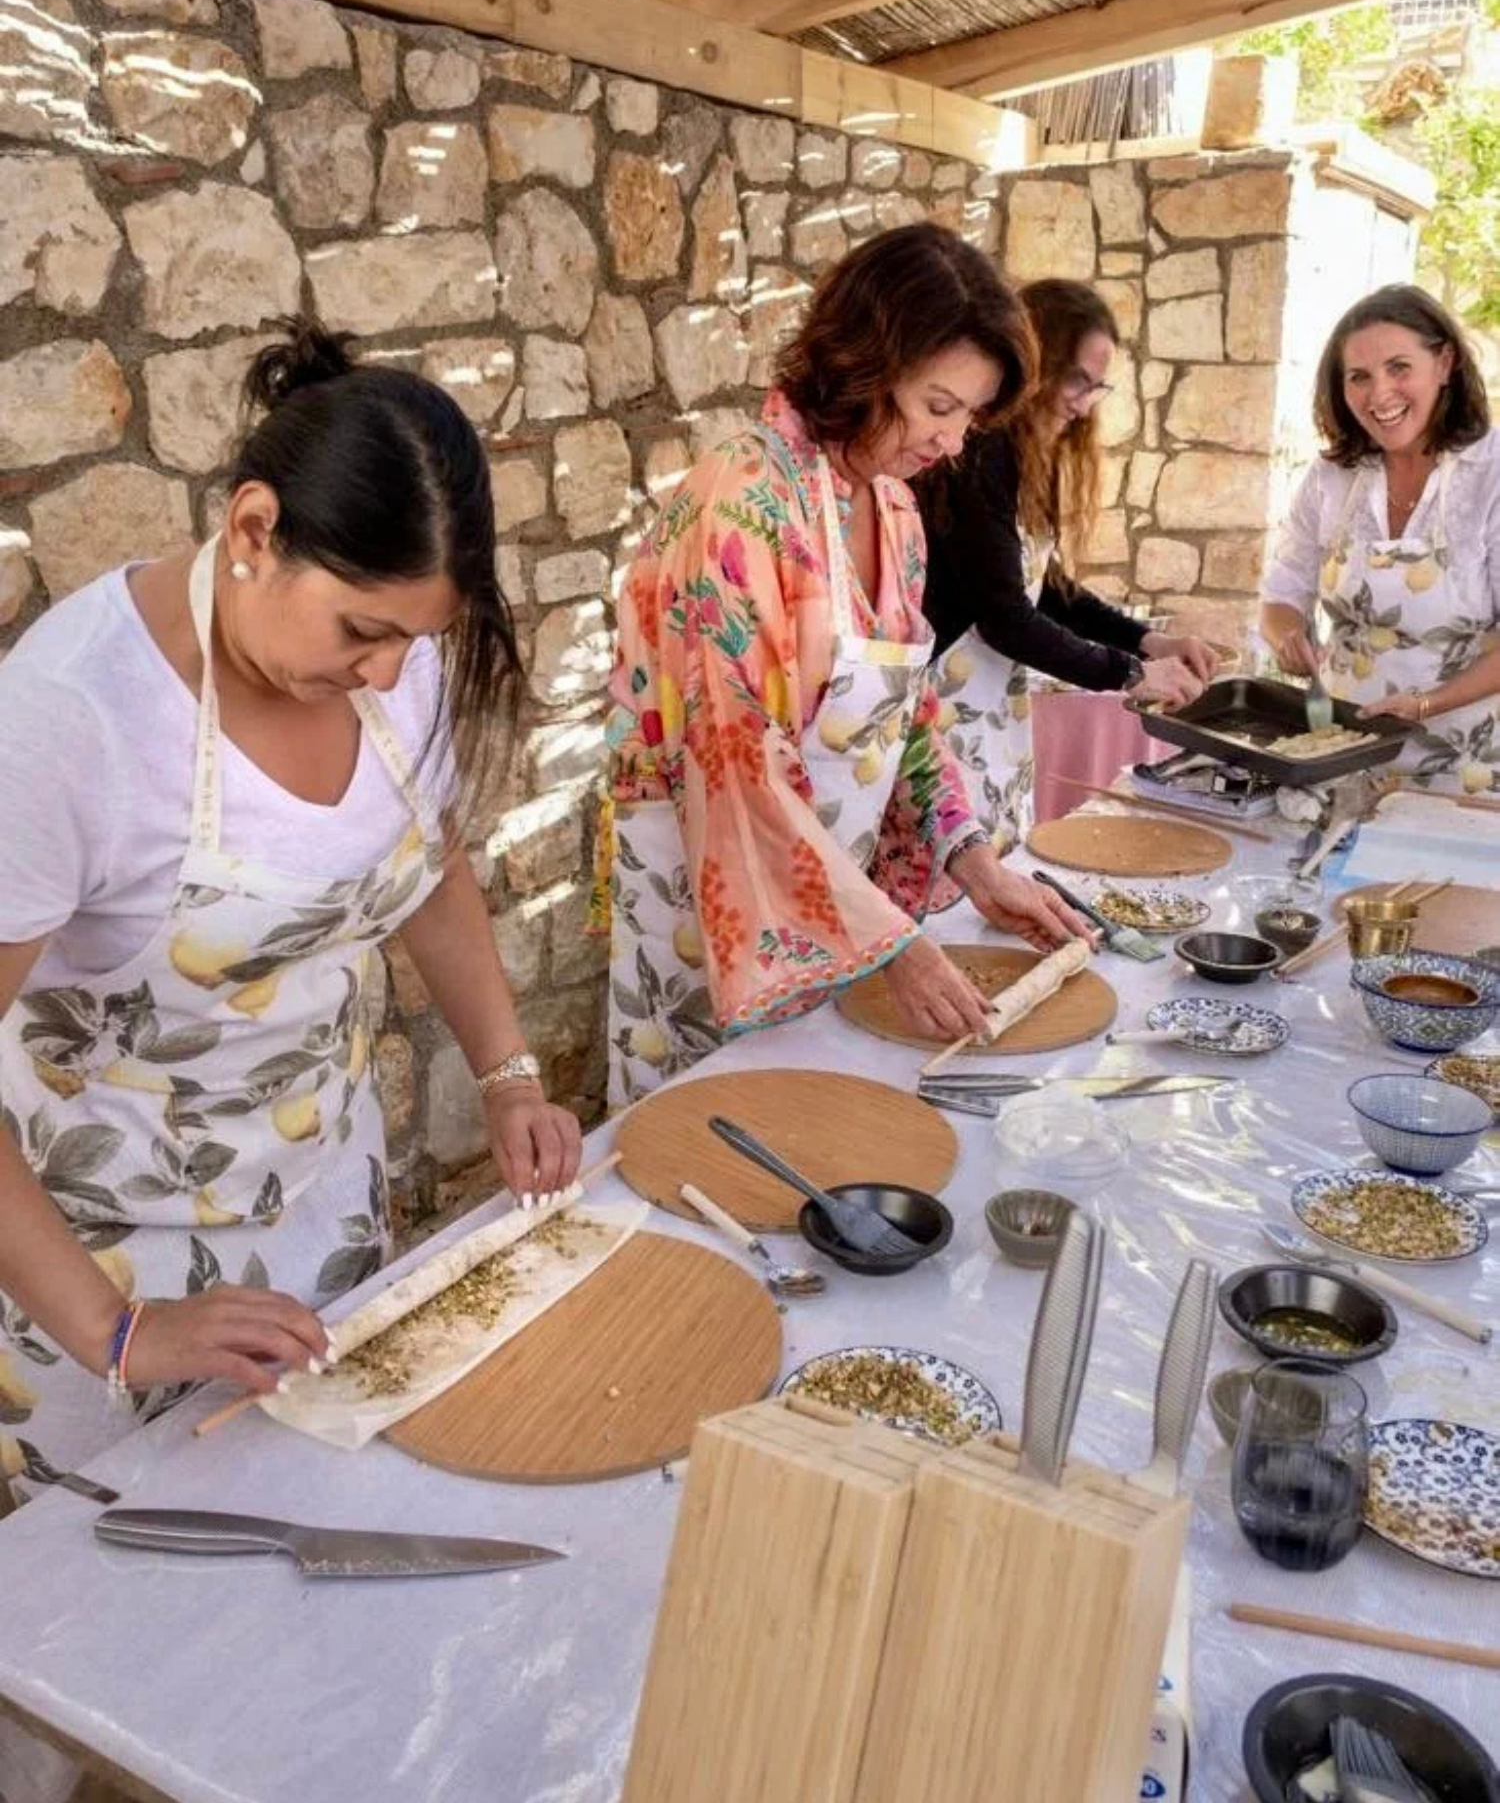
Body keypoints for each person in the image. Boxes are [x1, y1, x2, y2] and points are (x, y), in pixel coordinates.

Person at [0, 320, 582, 1513]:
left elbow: (429, 866)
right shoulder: (69, 722)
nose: (386, 674)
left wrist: (509, 1070)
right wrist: (119, 1330)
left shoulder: (395, 660)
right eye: (362, 632)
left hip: (323, 1206)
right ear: (255, 529)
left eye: (410, 642)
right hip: (101, 1261)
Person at [598, 223, 1091, 1106]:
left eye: (970, 417)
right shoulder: (741, 500)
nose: (953, 441)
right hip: (709, 914)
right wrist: (892, 943)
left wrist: (971, 860)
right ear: (867, 362)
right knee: (708, 1148)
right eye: (939, 406)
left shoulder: (893, 507)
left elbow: (905, 720)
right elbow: (736, 765)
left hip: (837, 911)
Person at [917, 279, 1218, 840]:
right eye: (1077, 380)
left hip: (986, 706)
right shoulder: (982, 453)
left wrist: (1148, 641)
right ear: (1037, 362)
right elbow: (1007, 616)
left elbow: (1045, 588)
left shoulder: (1024, 456)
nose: (1083, 407)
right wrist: (1129, 673)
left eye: (1097, 388)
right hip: (944, 709)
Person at [1260, 284, 1498, 792]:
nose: (1379, 394)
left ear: (1445, 362)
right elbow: (1281, 595)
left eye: (1399, 368)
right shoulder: (1332, 475)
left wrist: (1425, 705)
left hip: (1468, 767)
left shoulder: (1491, 472)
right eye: (1359, 377)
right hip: (1345, 750)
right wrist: (1286, 637)